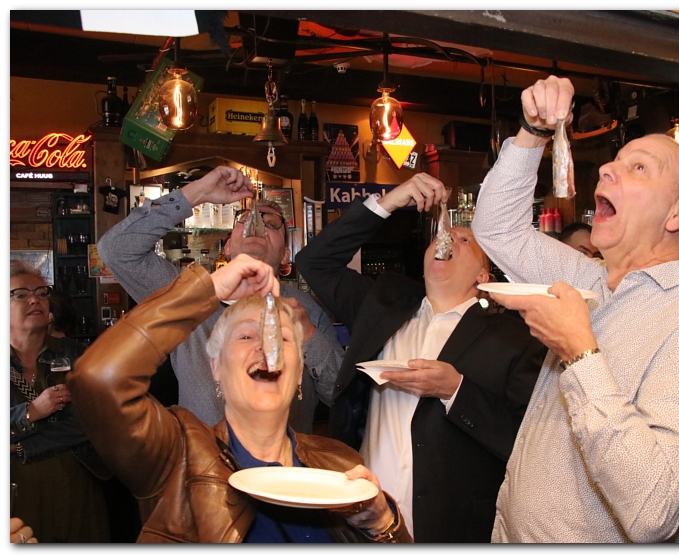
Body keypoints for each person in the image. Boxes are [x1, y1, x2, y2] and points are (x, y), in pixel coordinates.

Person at [471, 75, 679, 543]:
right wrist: (533, 131)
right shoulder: (593, 280)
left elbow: (655, 510)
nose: (606, 169)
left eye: (639, 168)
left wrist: (579, 353)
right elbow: (498, 230)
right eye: (615, 161)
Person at [68, 254, 411, 544]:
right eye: (246, 336)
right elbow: (97, 378)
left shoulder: (339, 465)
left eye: (281, 338)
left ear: (298, 372)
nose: (265, 347)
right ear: (215, 367)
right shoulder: (178, 454)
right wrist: (208, 290)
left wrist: (384, 524)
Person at [295, 176, 546, 542]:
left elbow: (527, 442)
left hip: (448, 529)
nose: (448, 239)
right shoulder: (383, 304)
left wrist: (455, 390)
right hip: (361, 516)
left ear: (483, 274)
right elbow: (314, 261)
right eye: (443, 236)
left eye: (464, 240)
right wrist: (389, 201)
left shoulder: (514, 338)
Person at [96, 166, 344, 432]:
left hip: (285, 457)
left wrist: (307, 334)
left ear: (285, 253)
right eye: (245, 219)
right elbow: (116, 250)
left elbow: (340, 394)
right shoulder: (188, 296)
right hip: (204, 456)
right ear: (228, 246)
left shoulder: (306, 310)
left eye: (272, 223)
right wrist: (197, 193)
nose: (257, 225)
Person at [10, 260, 111, 543]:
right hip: (16, 498)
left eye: (41, 293)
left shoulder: (77, 355)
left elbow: (93, 421)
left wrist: (21, 445)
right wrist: (31, 412)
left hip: (77, 490)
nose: (35, 300)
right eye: (20, 294)